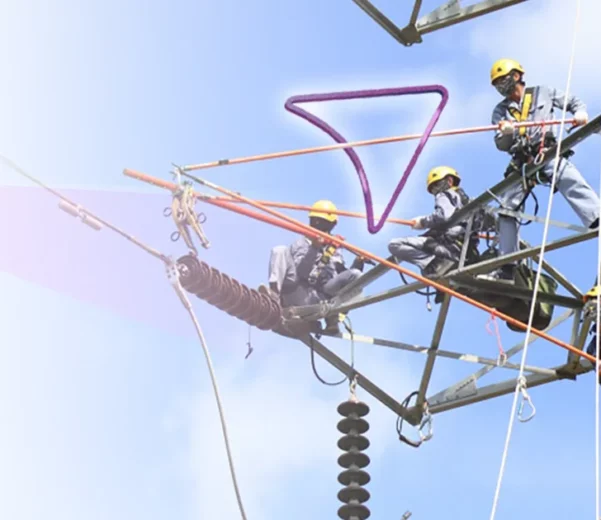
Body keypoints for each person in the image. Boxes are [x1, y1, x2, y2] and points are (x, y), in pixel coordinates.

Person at [479, 58, 599, 283]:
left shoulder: (543, 92)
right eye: (497, 84)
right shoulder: (501, 111)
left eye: (503, 80)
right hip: (523, 162)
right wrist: (505, 132)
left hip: (546, 151)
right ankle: (507, 267)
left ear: (516, 76)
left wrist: (581, 113)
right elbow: (501, 145)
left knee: (565, 175)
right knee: (506, 209)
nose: (501, 87)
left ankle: (596, 218)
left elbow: (572, 102)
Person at [259, 199, 366, 334]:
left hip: (320, 296)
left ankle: (333, 316)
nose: (320, 226)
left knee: (357, 275)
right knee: (279, 250)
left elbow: (343, 276)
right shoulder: (302, 244)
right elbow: (301, 272)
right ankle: (273, 296)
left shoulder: (334, 249)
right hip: (296, 290)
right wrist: (314, 248)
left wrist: (359, 262)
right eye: (317, 222)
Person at [388, 166, 479, 278]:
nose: (436, 191)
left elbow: (443, 216)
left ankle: (434, 264)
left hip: (449, 248)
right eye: (433, 189)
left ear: (449, 181)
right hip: (464, 252)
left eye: (436, 185)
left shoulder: (445, 194)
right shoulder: (465, 202)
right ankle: (439, 263)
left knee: (395, 244)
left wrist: (422, 222)